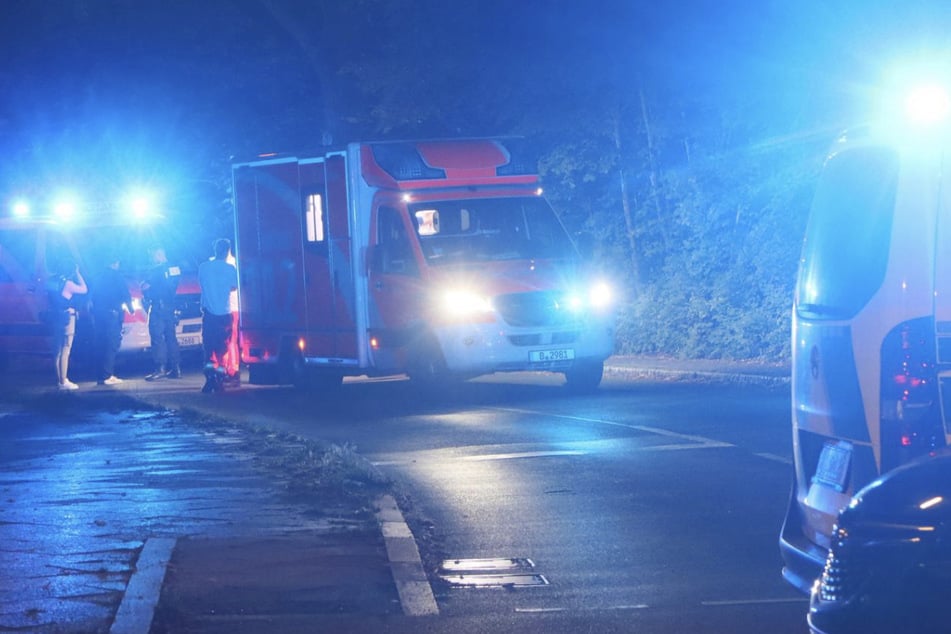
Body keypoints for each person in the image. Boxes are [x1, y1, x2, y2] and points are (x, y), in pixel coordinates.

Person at [198, 238, 238, 393]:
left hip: (209, 314)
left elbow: (202, 284)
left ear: (215, 250)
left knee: (208, 349)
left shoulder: (204, 267)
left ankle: (209, 380)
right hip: (225, 314)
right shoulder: (230, 269)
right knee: (223, 350)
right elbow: (234, 287)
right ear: (227, 251)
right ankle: (220, 380)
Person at [47, 257, 88, 390]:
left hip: (55, 317)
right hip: (67, 317)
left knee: (57, 350)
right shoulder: (68, 284)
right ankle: (64, 381)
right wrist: (78, 273)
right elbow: (84, 289)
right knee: (66, 349)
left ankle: (59, 379)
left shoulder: (51, 282)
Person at [141, 246, 181, 381]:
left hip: (158, 307)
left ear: (158, 255)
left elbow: (145, 286)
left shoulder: (154, 270)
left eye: (152, 256)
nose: (151, 258)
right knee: (171, 338)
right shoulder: (175, 268)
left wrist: (146, 287)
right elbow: (174, 285)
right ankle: (176, 368)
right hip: (170, 306)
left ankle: (160, 369)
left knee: (157, 338)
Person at [91, 255, 132, 386]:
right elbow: (125, 293)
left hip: (99, 314)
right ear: (115, 263)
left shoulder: (97, 276)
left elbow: (92, 295)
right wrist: (131, 309)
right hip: (112, 314)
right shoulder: (117, 276)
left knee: (101, 343)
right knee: (111, 344)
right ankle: (107, 375)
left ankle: (100, 375)